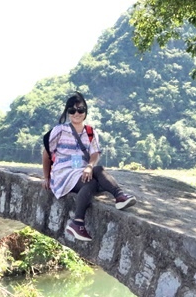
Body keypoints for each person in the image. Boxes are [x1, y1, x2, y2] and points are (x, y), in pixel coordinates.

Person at [42, 92, 136, 241]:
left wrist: (89, 166)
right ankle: (118, 196)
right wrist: (46, 177)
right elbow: (47, 153)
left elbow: (94, 154)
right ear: (68, 113)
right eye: (72, 110)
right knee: (97, 172)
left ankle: (78, 222)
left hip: (82, 172)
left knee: (93, 177)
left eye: (80, 110)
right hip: (63, 173)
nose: (76, 113)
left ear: (85, 111)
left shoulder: (90, 132)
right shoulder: (59, 130)